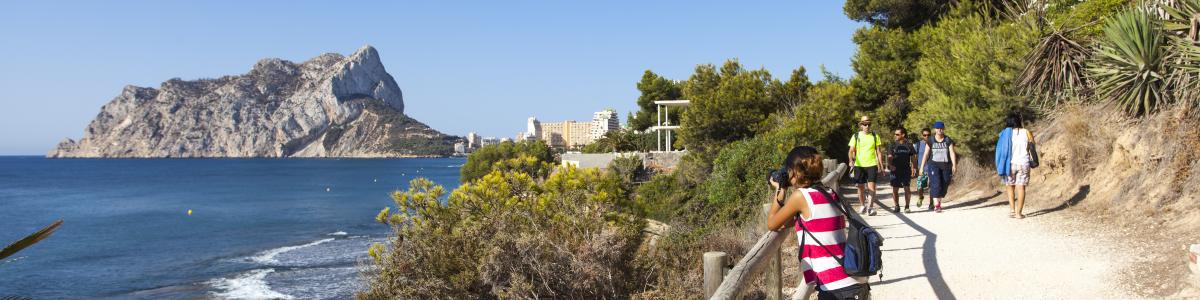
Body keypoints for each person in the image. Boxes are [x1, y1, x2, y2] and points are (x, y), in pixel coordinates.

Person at [768, 146, 870, 300]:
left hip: (836, 286)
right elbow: (789, 221)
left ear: (794, 172)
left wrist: (780, 188)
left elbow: (772, 223)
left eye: (788, 171)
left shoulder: (800, 197)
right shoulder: (829, 192)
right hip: (855, 280)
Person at [995, 113, 1034, 219]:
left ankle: (1012, 210)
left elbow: (1000, 148)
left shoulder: (1004, 134)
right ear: (1019, 121)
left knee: (1010, 187)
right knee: (1021, 188)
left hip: (1010, 164)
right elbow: (1032, 146)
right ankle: (1019, 213)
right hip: (1023, 163)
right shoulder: (1027, 132)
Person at [847, 116, 883, 216]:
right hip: (859, 165)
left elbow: (879, 152)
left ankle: (870, 208)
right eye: (864, 124)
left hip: (872, 164)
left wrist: (881, 166)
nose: (867, 126)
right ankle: (862, 205)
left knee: (872, 187)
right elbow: (851, 150)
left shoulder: (875, 136)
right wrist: (850, 161)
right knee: (860, 187)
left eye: (869, 124)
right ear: (861, 125)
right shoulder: (856, 136)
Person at [918, 121, 957, 213]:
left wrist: (954, 164)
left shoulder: (948, 140)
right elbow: (926, 154)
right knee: (936, 183)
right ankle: (937, 205)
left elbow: (952, 152)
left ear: (943, 129)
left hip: (946, 165)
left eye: (942, 128)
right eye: (938, 128)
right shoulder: (930, 140)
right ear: (935, 129)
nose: (940, 130)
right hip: (933, 165)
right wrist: (922, 167)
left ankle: (938, 201)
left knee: (945, 182)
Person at [887, 128, 918, 213]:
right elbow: (889, 156)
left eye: (897, 134)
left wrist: (915, 168)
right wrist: (890, 165)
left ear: (903, 135)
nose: (895, 136)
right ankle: (896, 206)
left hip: (906, 170)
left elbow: (913, 158)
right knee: (895, 189)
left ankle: (907, 206)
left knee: (907, 188)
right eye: (895, 134)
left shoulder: (909, 145)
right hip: (895, 170)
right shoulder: (892, 145)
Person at [913, 128, 932, 209]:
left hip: (931, 168)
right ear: (922, 135)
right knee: (919, 187)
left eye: (928, 135)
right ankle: (921, 197)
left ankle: (931, 203)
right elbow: (914, 157)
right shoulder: (918, 144)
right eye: (924, 135)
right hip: (921, 169)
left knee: (931, 186)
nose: (926, 136)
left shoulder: (933, 143)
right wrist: (914, 168)